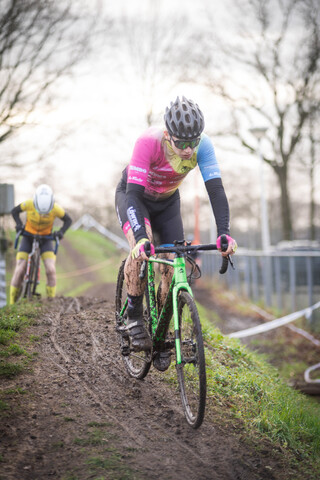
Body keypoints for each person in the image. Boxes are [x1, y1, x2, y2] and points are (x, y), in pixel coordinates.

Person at [115, 96, 237, 370]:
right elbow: (133, 195)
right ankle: (134, 315)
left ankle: (162, 331)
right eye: (181, 143)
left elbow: (215, 191)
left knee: (173, 265)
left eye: (192, 142)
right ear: (168, 135)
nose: (188, 149)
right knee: (140, 249)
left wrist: (224, 233)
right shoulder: (148, 142)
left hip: (168, 203)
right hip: (135, 199)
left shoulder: (202, 146)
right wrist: (141, 237)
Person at [9, 184, 72, 304]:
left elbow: (68, 220)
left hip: (46, 240)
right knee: (19, 270)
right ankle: (12, 303)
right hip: (27, 238)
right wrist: (18, 224)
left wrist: (60, 232)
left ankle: (51, 301)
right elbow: (14, 211)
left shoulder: (56, 208)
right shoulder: (29, 204)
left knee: (51, 270)